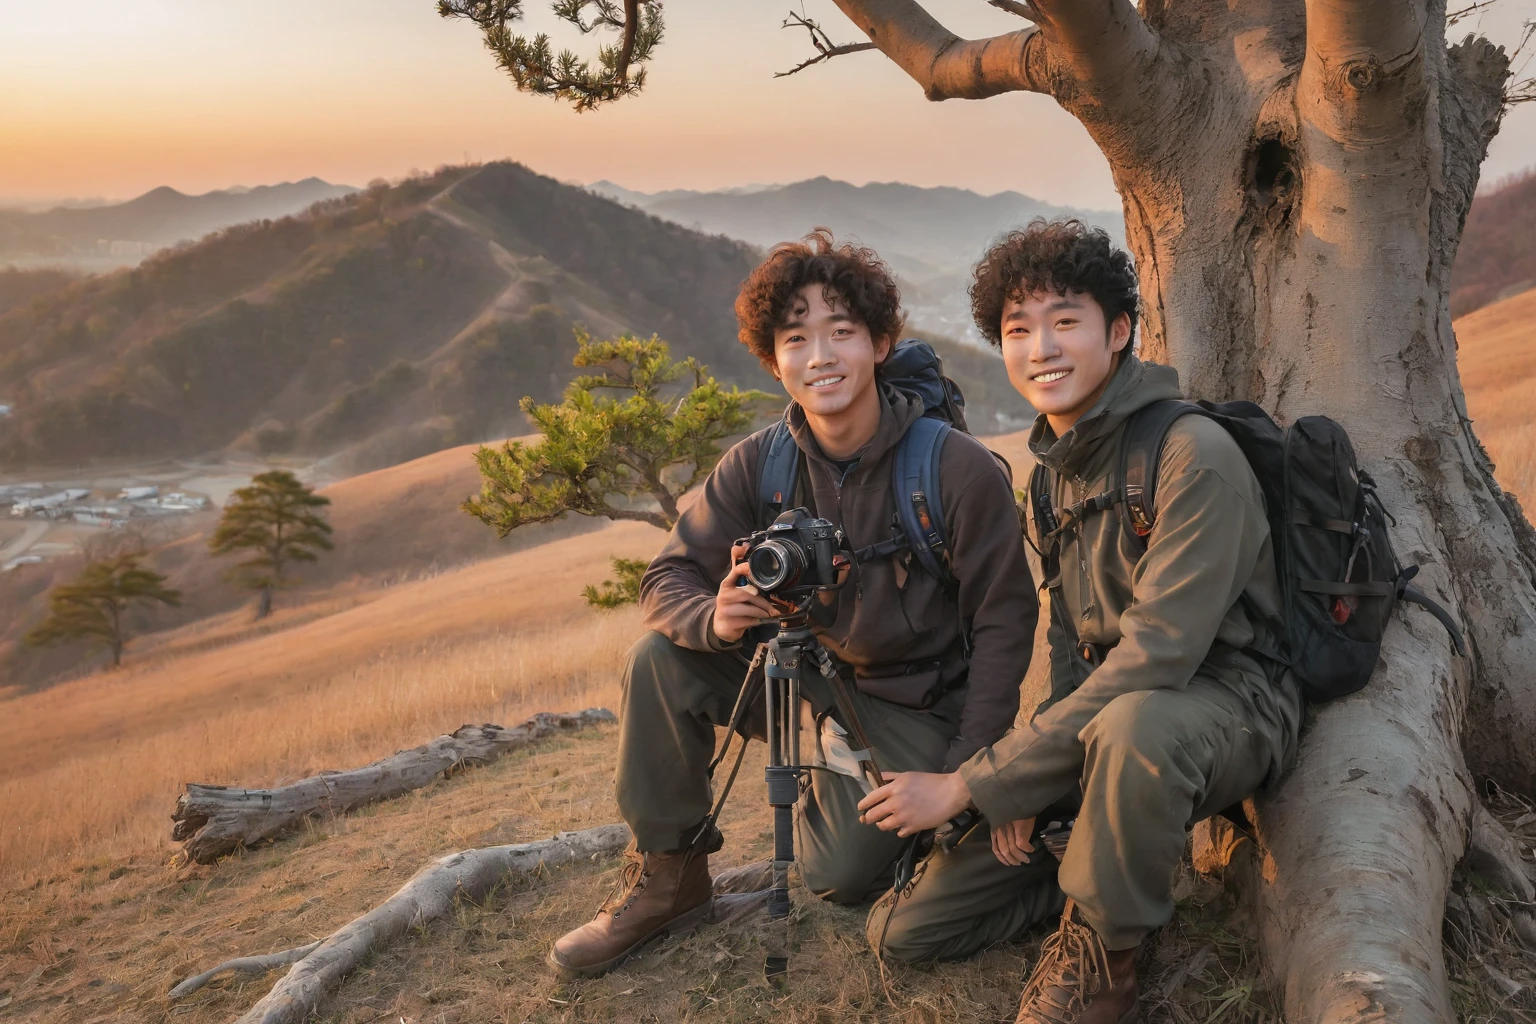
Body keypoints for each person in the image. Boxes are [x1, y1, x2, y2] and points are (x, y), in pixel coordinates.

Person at [547, 229, 1040, 977]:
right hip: (804, 678)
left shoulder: (953, 469)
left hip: (917, 703)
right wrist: (713, 618)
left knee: (836, 877)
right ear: (773, 361)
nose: (821, 357)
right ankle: (669, 880)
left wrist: (966, 776)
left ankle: (956, 833)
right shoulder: (761, 462)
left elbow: (1005, 626)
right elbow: (666, 580)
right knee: (660, 659)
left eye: (842, 332)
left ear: (879, 343)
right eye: (796, 338)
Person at [856, 219, 1304, 1024]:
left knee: (1136, 725)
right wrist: (1027, 782)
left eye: (1065, 321)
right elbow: (1071, 651)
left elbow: (1156, 661)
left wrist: (975, 781)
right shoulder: (1054, 478)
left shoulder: (1191, 455)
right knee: (905, 930)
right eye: (1017, 330)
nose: (1041, 349)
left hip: (1229, 706)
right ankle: (1091, 873)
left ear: (1119, 330)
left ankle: (1106, 953)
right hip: (1108, 723)